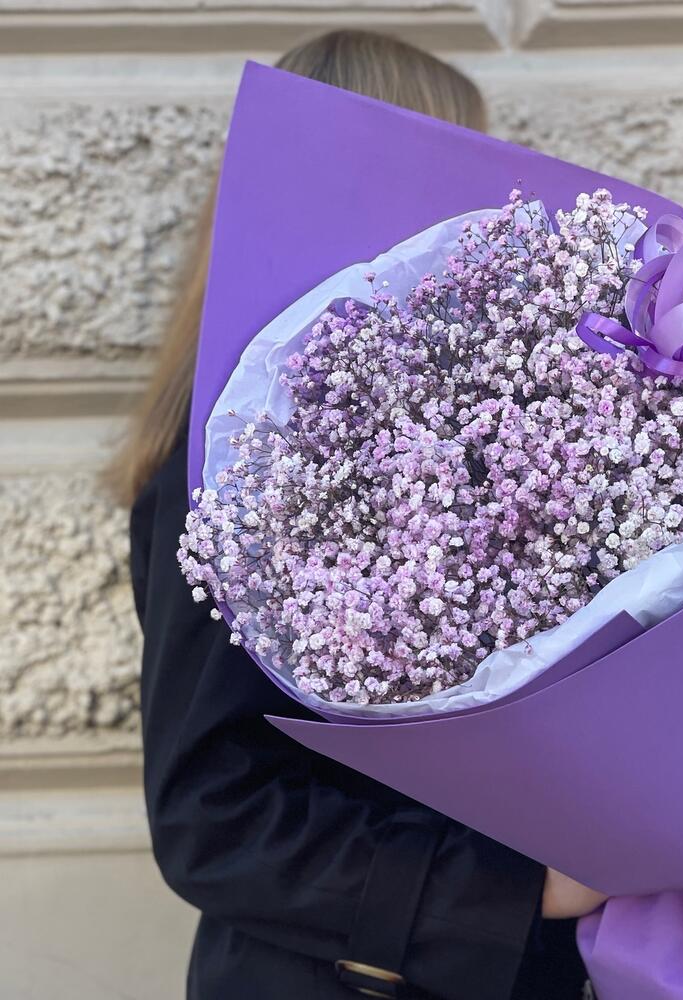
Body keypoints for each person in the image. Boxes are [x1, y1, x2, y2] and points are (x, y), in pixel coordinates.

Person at [112, 29, 606, 1000]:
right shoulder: (237, 466)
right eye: (466, 167)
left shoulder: (453, 437)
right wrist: (515, 892)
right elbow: (212, 812)